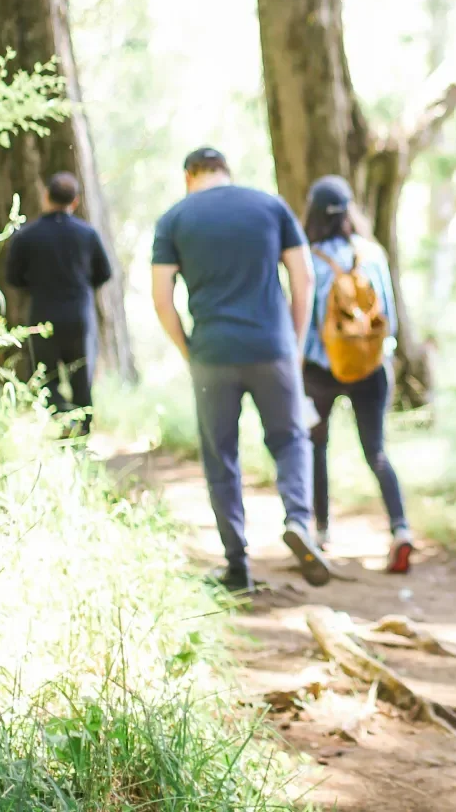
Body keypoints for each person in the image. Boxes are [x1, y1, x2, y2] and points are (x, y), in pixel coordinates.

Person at [151, 147, 328, 593]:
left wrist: (187, 349)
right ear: (226, 172)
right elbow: (304, 277)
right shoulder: (270, 206)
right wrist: (294, 342)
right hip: (272, 347)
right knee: (290, 439)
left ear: (189, 176)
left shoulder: (174, 219)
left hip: (211, 353)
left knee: (221, 457)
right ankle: (299, 520)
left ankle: (237, 565)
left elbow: (161, 298)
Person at [301, 175, 413, 574]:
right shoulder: (372, 253)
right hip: (370, 367)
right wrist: (382, 355)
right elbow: (389, 320)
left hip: (320, 369)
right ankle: (400, 529)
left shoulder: (307, 258)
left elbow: (304, 322)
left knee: (316, 445)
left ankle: (320, 530)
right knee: (376, 450)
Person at [6, 172, 112, 436]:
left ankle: (61, 427)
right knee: (82, 379)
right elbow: (104, 273)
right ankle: (83, 435)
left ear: (46, 196)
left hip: (43, 315)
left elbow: (13, 278)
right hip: (79, 316)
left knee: (47, 378)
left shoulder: (26, 236)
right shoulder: (87, 234)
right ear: (74, 202)